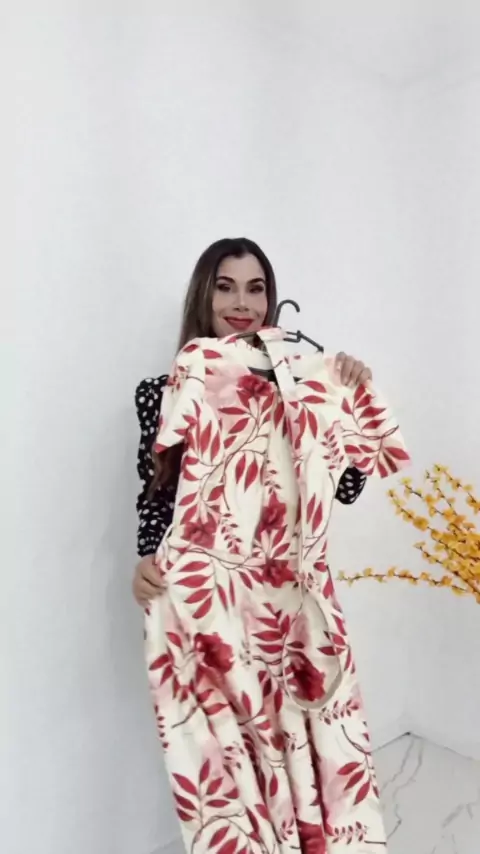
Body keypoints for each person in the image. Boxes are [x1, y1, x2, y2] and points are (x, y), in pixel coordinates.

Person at [133, 237, 373, 606]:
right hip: (196, 596)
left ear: (269, 299)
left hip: (282, 599)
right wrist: (147, 558)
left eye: (255, 289)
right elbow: (157, 495)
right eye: (225, 287)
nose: (242, 303)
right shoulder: (164, 394)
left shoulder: (301, 394)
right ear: (203, 296)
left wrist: (351, 405)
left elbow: (347, 487)